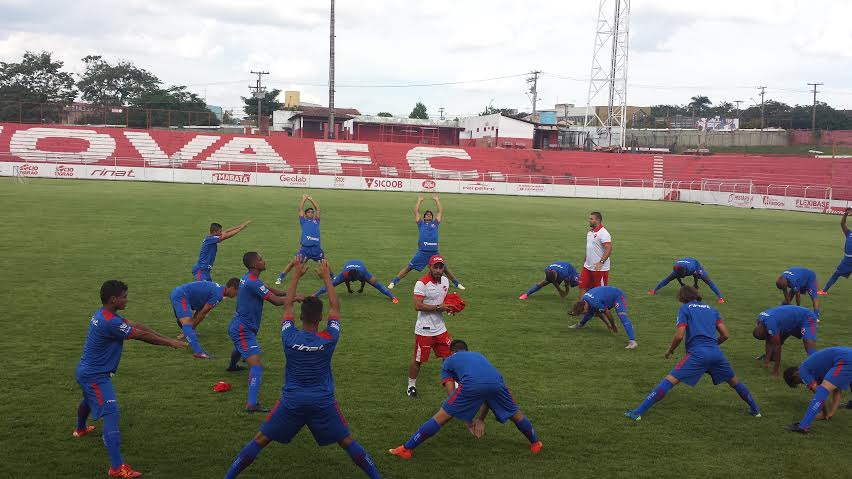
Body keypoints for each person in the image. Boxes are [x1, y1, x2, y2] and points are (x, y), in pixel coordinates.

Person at [223, 261, 382, 479]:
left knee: (260, 440)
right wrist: (327, 277)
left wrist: (295, 275)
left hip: (292, 401)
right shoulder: (329, 338)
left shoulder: (289, 336)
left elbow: (287, 305)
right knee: (347, 442)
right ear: (320, 318)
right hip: (322, 401)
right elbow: (335, 308)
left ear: (300, 317)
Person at [74, 280, 186, 478]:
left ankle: (80, 429)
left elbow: (136, 326)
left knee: (88, 400)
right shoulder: (111, 322)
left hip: (86, 372)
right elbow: (141, 335)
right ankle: (116, 468)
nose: (127, 299)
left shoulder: (104, 314)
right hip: (95, 376)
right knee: (111, 414)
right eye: (124, 296)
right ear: (113, 299)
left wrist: (169, 339)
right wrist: (170, 344)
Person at [624, 286, 761, 421]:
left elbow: (679, 336)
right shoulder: (713, 310)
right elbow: (725, 335)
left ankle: (637, 413)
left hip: (697, 354)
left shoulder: (685, 309)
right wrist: (712, 346)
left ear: (682, 297)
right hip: (716, 353)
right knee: (734, 382)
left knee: (669, 381)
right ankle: (756, 410)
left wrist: (670, 350)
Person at [389, 339, 542, 459]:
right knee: (515, 414)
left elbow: (451, 392)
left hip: (472, 384)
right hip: (497, 382)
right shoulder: (479, 355)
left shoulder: (448, 361)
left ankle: (406, 449)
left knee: (441, 417)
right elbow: (488, 391)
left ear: (452, 352)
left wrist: (466, 419)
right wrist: (480, 419)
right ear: (466, 350)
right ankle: (536, 443)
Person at [227, 252, 293, 412]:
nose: (264, 261)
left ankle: (232, 366)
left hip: (242, 326)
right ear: (254, 265)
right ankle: (252, 404)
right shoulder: (252, 282)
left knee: (241, 348)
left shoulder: (249, 279)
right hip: (243, 329)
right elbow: (276, 302)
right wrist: (296, 298)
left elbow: (269, 290)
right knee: (256, 366)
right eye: (261, 259)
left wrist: (288, 293)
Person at [388, 195, 464, 290]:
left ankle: (457, 284)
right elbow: (416, 211)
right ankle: (393, 282)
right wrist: (419, 200)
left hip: (434, 252)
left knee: (445, 268)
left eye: (430, 214)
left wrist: (437, 200)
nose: (428, 215)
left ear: (432, 217)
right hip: (422, 252)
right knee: (409, 268)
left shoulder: (435, 224)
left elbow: (440, 211)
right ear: (424, 217)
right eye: (427, 214)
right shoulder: (421, 224)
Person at [406, 255, 453, 397]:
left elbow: (444, 300)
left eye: (441, 267)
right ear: (429, 267)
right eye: (436, 267)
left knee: (449, 357)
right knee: (419, 360)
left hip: (440, 328)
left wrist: (451, 307)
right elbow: (417, 306)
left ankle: (453, 386)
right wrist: (440, 307)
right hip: (424, 329)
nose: (439, 270)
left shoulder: (445, 280)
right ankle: (411, 386)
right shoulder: (422, 283)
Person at [783, 346, 852, 433]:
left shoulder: (803, 371)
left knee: (822, 391)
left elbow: (819, 395)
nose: (803, 383)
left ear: (795, 375)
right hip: (848, 355)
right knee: (831, 389)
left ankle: (803, 426)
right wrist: (829, 414)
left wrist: (824, 414)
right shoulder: (818, 369)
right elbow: (837, 391)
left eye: (799, 382)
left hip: (845, 360)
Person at [169, 278, 240, 358]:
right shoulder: (218, 295)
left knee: (186, 325)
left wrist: (191, 329)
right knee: (187, 324)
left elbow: (200, 312)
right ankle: (199, 352)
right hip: (181, 296)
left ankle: (187, 333)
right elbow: (202, 313)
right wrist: (190, 328)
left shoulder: (219, 290)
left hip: (180, 294)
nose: (236, 295)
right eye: (237, 292)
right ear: (232, 288)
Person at [752, 305, 818, 377]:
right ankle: (769, 358)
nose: (767, 338)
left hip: (807, 317)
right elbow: (768, 341)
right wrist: (766, 362)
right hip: (790, 321)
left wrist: (775, 370)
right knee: (772, 339)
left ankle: (818, 366)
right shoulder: (760, 319)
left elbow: (777, 348)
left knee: (809, 346)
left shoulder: (771, 324)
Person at [569, 286, 638, 349]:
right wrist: (608, 324)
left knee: (622, 316)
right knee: (590, 312)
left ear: (584, 306)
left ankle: (632, 341)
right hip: (606, 297)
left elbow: (607, 313)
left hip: (618, 295)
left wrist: (613, 325)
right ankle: (580, 324)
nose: (583, 314)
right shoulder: (585, 300)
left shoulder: (594, 303)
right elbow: (599, 312)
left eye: (583, 312)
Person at [276, 195, 324, 284]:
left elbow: (318, 209)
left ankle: (333, 277)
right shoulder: (303, 221)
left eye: (312, 212)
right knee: (293, 262)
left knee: (325, 263)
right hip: (305, 248)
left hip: (316, 248)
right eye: (309, 212)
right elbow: (300, 209)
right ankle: (280, 277)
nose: (311, 213)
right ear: (306, 214)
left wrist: (311, 199)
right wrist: (304, 199)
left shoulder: (316, 221)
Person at [313, 259, 398, 303]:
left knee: (377, 285)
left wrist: (361, 289)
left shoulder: (363, 273)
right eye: (352, 280)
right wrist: (349, 289)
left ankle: (392, 297)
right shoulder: (344, 274)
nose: (353, 281)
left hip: (360, 265)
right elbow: (346, 281)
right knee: (330, 285)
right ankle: (315, 295)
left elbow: (365, 281)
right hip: (348, 266)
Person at [648, 257, 724, 303]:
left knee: (707, 280)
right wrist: (681, 283)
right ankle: (654, 290)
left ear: (684, 272)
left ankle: (720, 298)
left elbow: (695, 275)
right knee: (668, 278)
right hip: (685, 263)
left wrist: (695, 285)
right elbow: (675, 276)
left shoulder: (691, 269)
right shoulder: (676, 269)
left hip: (696, 265)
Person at [577, 211, 612, 300]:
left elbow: (609, 248)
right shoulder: (590, 232)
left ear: (597, 220)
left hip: (599, 268)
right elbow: (590, 247)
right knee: (582, 286)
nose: (589, 220)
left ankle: (602, 310)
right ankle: (582, 308)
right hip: (587, 266)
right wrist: (585, 259)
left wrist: (601, 262)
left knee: (599, 290)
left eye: (591, 219)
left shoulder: (604, 233)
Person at [820, 207, 852, 295]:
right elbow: (842, 223)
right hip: (847, 260)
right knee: (836, 274)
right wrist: (846, 214)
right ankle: (824, 291)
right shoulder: (849, 233)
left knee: (836, 274)